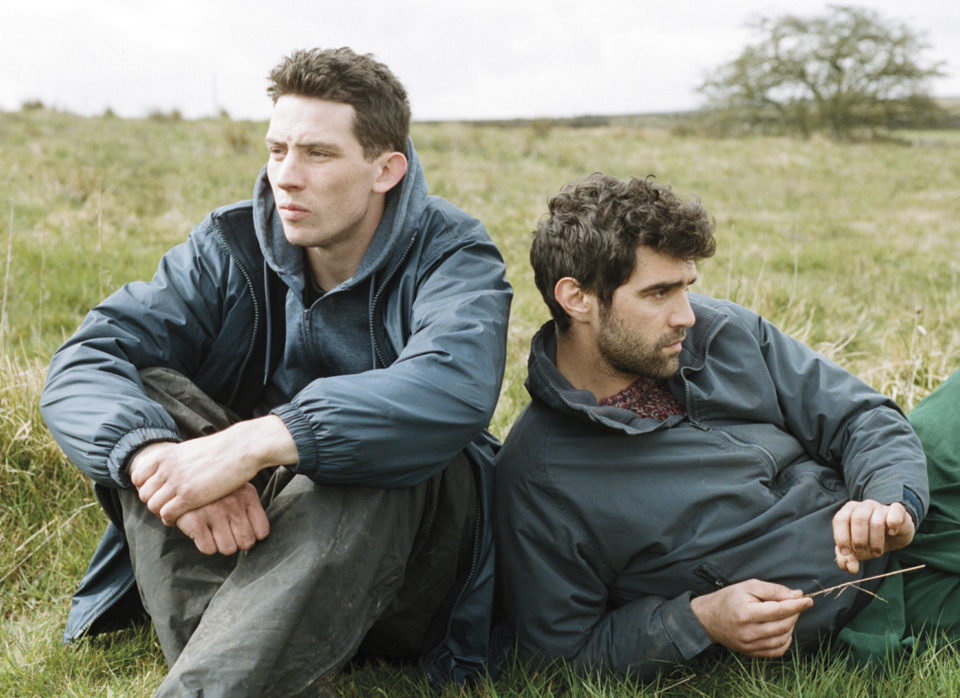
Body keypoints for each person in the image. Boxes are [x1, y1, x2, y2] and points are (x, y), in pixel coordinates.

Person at [41, 47, 512, 696]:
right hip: (250, 534)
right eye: (277, 150)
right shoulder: (229, 243)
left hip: (406, 560)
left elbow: (451, 388)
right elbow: (88, 357)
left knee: (375, 451)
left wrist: (258, 441)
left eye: (317, 154)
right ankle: (246, 651)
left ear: (386, 170)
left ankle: (221, 673)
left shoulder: (452, 253)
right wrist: (156, 457)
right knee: (145, 401)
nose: (286, 177)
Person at [495, 171, 960, 679]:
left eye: (686, 288)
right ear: (577, 298)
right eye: (658, 293)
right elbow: (559, 656)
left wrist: (890, 500)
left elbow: (860, 416)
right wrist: (699, 620)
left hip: (904, 505)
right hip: (867, 600)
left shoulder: (721, 329)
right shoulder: (540, 477)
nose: (686, 315)